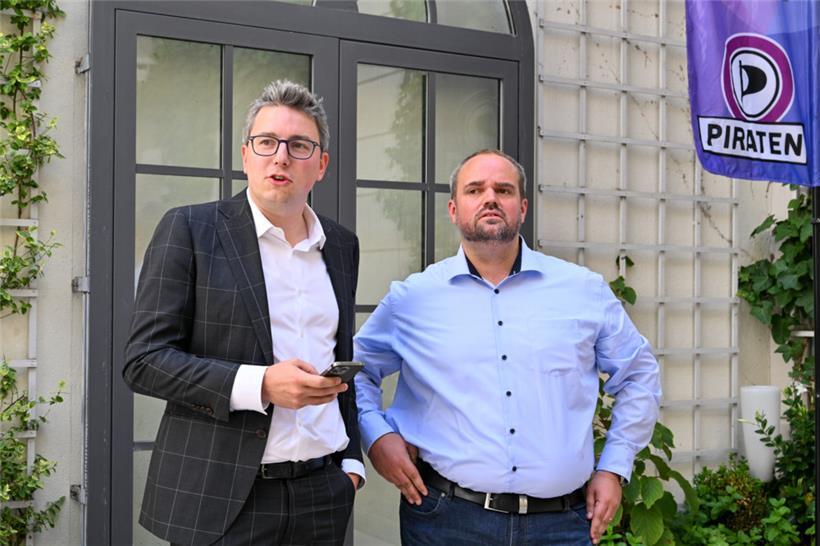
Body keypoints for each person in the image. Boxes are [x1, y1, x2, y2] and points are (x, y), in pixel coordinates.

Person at [354, 149, 661, 545]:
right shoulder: (412, 299)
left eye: (503, 190)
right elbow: (356, 371)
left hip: (563, 526)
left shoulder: (583, 290)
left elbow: (638, 376)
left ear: (523, 207)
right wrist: (376, 436)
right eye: (474, 190)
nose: (490, 198)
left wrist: (614, 466)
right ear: (453, 209)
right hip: (446, 522)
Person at [124, 80, 363, 545]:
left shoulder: (341, 244)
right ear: (246, 155)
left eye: (299, 145)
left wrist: (350, 463)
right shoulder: (190, 229)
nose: (281, 157)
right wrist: (262, 384)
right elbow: (144, 361)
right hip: (223, 498)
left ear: (321, 165)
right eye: (267, 142)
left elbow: (339, 356)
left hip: (323, 494)